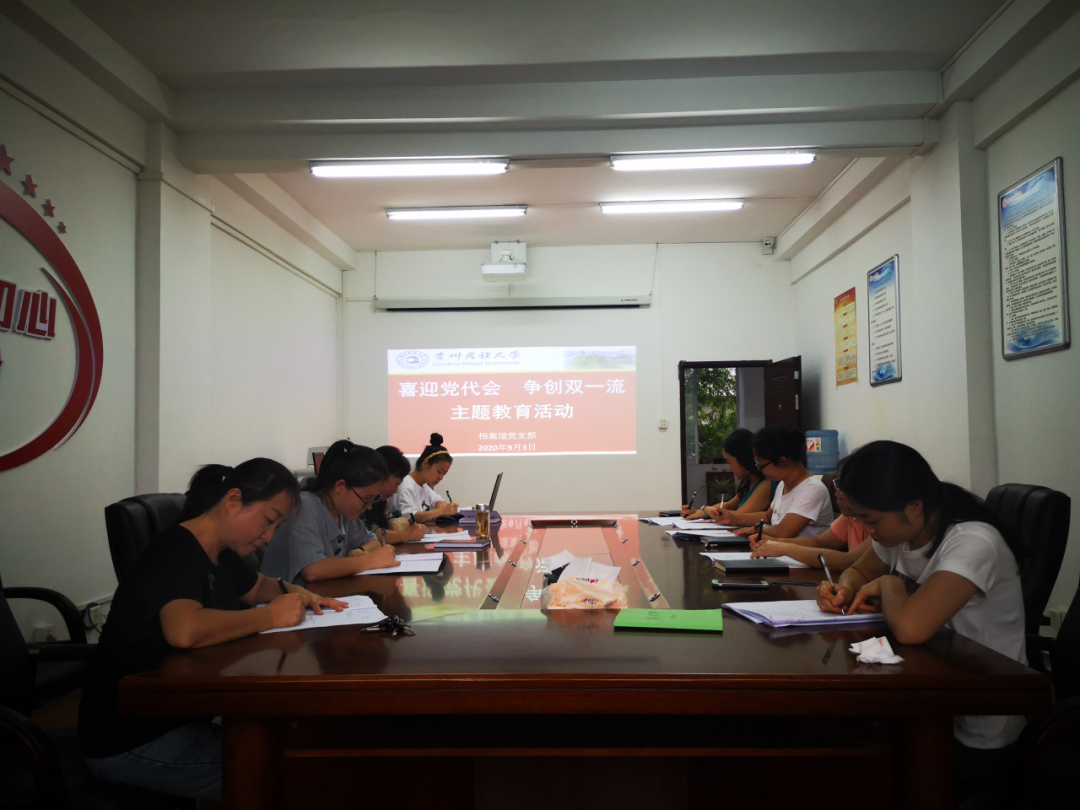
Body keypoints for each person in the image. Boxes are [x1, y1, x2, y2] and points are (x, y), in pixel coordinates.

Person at [79, 459, 346, 801]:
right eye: (268, 520)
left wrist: (303, 595)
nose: (269, 536)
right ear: (233, 500)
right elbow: (185, 630)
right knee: (290, 771)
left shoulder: (220, 550)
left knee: (294, 747)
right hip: (129, 739)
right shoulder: (176, 551)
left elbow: (258, 586)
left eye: (277, 526)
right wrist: (270, 617)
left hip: (175, 719)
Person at [815, 440, 1026, 803]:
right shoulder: (904, 533)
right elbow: (857, 571)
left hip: (979, 720)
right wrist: (843, 588)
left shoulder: (973, 543)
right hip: (924, 690)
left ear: (913, 506)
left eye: (871, 520)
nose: (867, 530)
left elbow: (912, 628)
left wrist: (890, 585)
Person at [260, 440, 399, 584]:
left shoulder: (342, 512)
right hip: (283, 596)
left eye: (373, 500)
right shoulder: (305, 506)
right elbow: (312, 569)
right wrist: (368, 560)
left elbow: (372, 540)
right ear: (340, 486)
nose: (369, 507)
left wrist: (359, 551)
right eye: (366, 499)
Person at [713, 425, 833, 538]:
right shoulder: (782, 485)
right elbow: (767, 516)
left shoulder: (812, 489)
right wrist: (732, 517)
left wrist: (755, 529)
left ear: (783, 461)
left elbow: (782, 532)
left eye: (761, 465)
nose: (760, 470)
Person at [750, 468, 870, 568]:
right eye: (838, 486)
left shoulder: (878, 526)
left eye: (843, 489)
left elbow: (849, 561)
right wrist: (774, 543)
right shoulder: (849, 517)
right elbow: (819, 542)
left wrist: (784, 548)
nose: (837, 494)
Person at [682, 429, 774, 519]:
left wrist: (705, 510)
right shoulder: (748, 483)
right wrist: (697, 512)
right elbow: (728, 505)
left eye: (729, 462)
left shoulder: (766, 485)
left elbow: (737, 517)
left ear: (743, 459)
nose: (729, 468)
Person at [391, 433, 459, 523]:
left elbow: (437, 499)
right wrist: (441, 511)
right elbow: (410, 518)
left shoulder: (424, 486)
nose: (440, 477)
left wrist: (440, 503)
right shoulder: (406, 486)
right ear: (425, 464)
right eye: (439, 471)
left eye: (444, 474)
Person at [366, 444, 427, 544]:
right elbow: (367, 533)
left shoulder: (379, 501)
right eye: (396, 483)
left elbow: (400, 519)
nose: (396, 490)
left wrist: (393, 522)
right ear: (383, 475)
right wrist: (405, 535)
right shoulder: (362, 500)